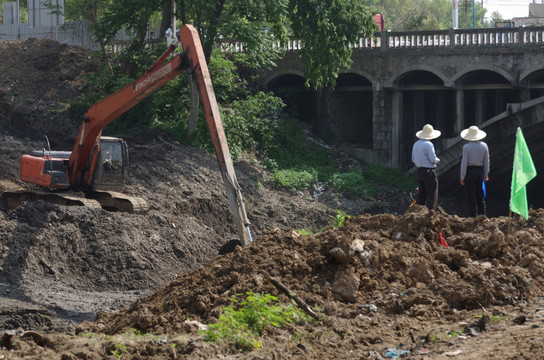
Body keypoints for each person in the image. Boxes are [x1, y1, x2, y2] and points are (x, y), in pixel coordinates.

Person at [459, 125, 489, 217]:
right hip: (480, 171)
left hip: (470, 171)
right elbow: (487, 161)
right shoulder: (484, 146)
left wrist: (462, 177)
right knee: (480, 195)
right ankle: (482, 216)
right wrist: (486, 174)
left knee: (471, 196)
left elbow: (464, 163)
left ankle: (473, 217)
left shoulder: (466, 147)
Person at [411, 124, 441, 210]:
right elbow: (432, 159)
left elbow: (413, 158)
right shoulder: (428, 144)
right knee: (432, 193)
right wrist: (437, 160)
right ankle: (430, 213)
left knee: (421, 193)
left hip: (419, 171)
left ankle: (419, 211)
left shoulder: (416, 144)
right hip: (429, 171)